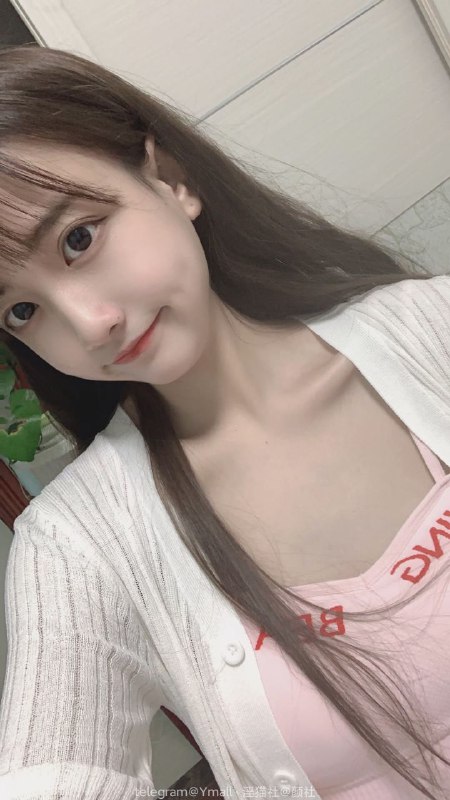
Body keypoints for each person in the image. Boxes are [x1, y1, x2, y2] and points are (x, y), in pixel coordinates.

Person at [0, 43, 448, 800]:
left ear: (170, 179)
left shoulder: (434, 327)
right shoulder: (79, 544)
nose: (90, 323)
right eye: (21, 309)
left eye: (79, 238)